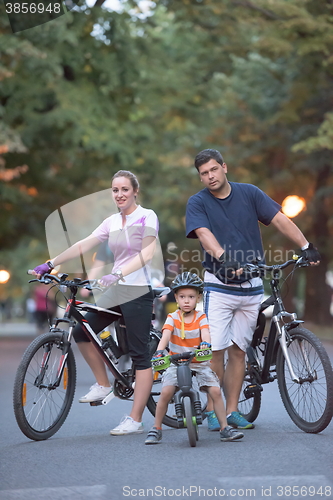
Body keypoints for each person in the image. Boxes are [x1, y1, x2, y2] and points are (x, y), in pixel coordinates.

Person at [185, 149, 321, 431]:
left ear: (224, 167)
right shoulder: (197, 202)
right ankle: (213, 410)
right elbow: (204, 235)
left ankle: (232, 411)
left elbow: (280, 219)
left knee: (238, 351)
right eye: (203, 173)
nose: (209, 177)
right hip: (219, 286)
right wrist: (225, 257)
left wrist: (305, 246)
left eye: (213, 170)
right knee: (217, 351)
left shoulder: (249, 194)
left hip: (251, 287)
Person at [33, 170, 160, 436]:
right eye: (115, 190)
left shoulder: (147, 216)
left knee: (140, 356)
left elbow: (147, 253)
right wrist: (51, 264)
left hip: (137, 290)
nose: (120, 194)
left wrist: (118, 273)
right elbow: (83, 244)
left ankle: (135, 419)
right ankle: (103, 383)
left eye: (125, 189)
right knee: (82, 331)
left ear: (135, 191)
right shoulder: (112, 222)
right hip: (116, 289)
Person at [145, 272, 244, 444]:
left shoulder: (201, 317)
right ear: (175, 297)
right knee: (166, 392)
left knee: (215, 391)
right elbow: (166, 335)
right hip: (176, 362)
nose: (186, 301)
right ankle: (156, 428)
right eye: (182, 296)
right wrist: (160, 351)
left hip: (198, 361)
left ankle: (224, 428)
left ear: (198, 297)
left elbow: (205, 333)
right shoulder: (172, 317)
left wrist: (206, 344)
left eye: (191, 297)